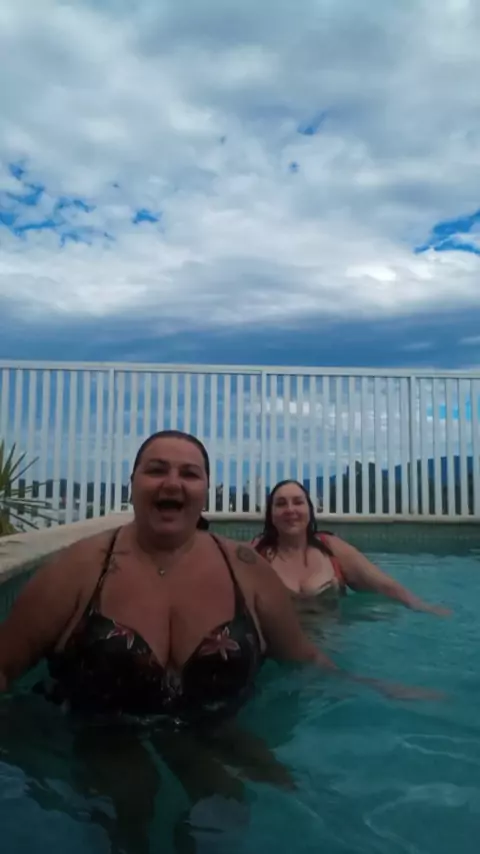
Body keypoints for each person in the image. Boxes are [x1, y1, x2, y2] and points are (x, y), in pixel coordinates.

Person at [0, 431, 439, 722]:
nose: (172, 483)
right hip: (98, 752)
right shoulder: (78, 569)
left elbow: (303, 658)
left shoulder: (247, 571)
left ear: (205, 490)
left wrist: (377, 688)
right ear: (132, 482)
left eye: (189, 474)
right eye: (156, 470)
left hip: (222, 744)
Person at [253, 479, 450, 615]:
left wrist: (421, 606)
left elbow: (385, 585)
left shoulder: (332, 549)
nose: (290, 510)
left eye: (298, 502)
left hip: (332, 648)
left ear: (309, 510)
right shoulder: (256, 553)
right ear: (271, 514)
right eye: (281, 504)